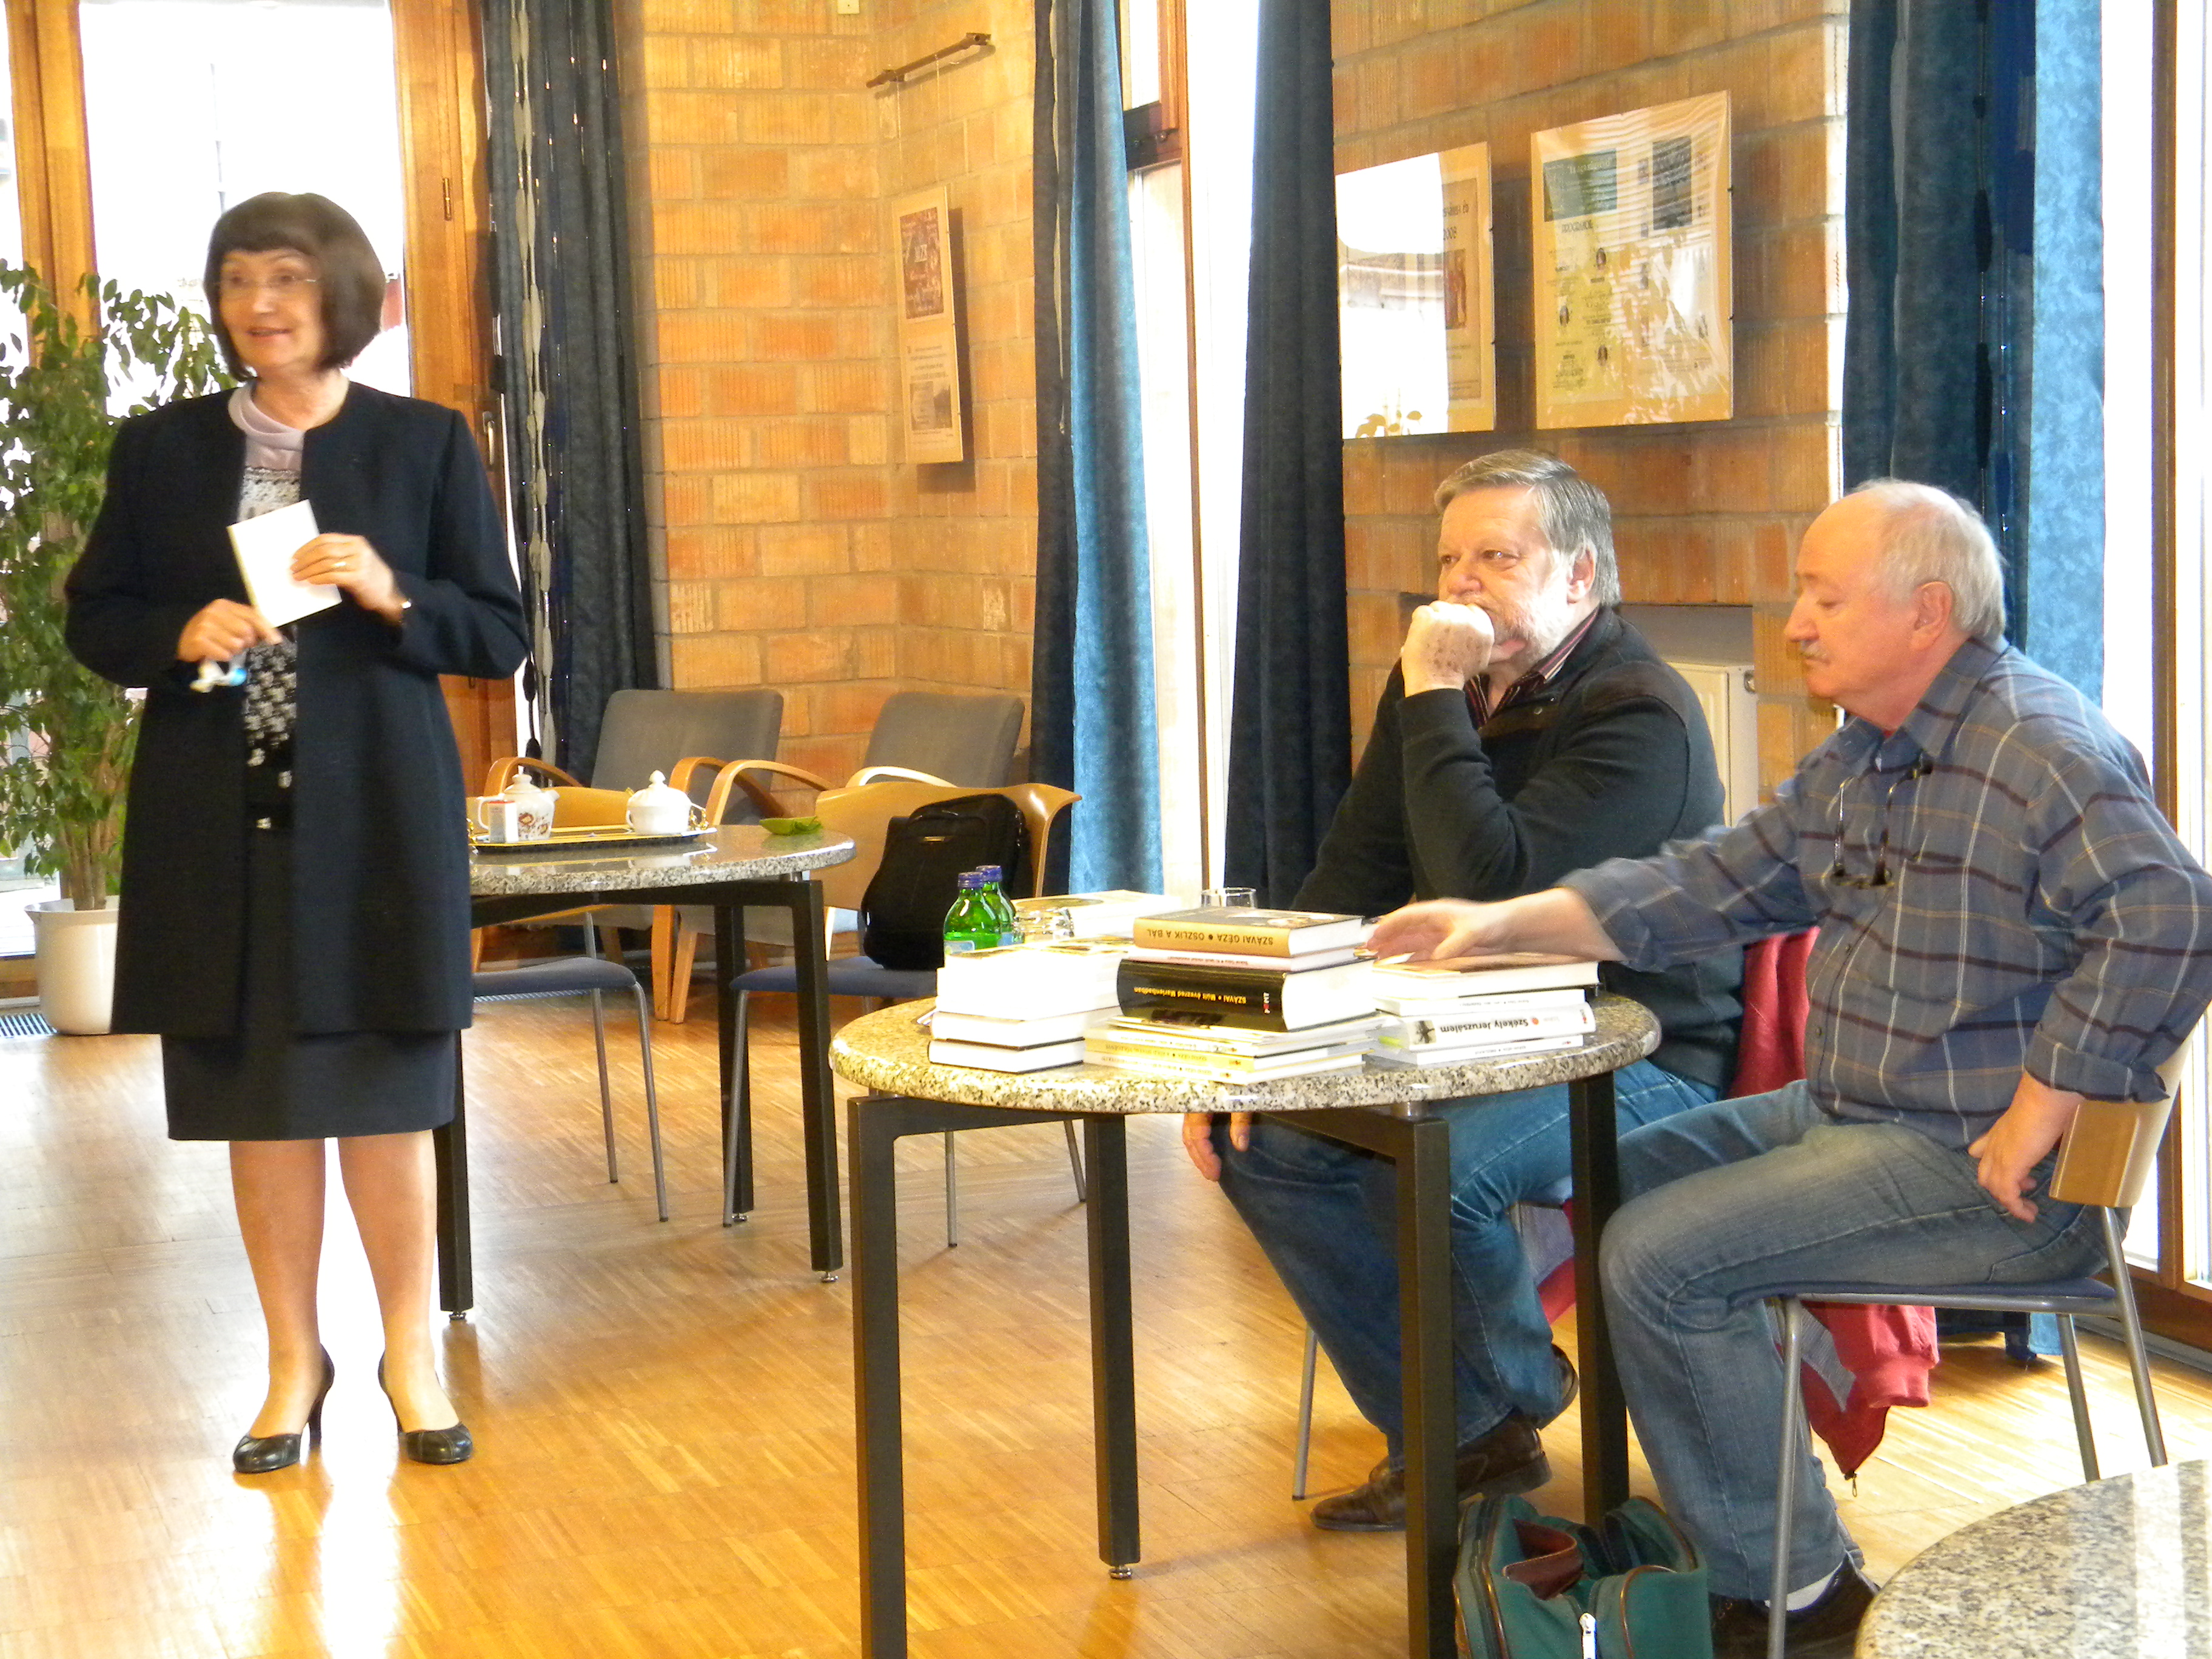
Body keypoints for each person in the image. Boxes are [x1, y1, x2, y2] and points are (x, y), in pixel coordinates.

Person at [1369, 480, 2212, 1657]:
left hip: (1989, 1166)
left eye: (1826, 597)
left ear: (1926, 612)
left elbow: (2171, 918)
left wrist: (2045, 1099)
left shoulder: (2038, 746)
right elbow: (1710, 884)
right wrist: (1503, 924)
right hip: (1858, 1115)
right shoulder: (1872, 755)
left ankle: (1798, 1596)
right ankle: (1750, 1518)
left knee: (1663, 1259)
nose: (1799, 624)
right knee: (1614, 1186)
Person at [1183, 449, 1741, 1528]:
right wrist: (1259, 1042)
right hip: (1472, 1029)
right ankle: (1466, 1432)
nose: (1462, 583)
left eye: (1497, 557)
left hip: (1637, 1048)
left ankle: (1511, 1398)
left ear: (1580, 575)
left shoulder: (1639, 712)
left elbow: (1494, 891)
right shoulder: (1437, 690)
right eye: (1449, 560)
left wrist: (1436, 694)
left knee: (1444, 1174)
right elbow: (1355, 872)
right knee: (1271, 1142)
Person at [65, 193, 528, 1473]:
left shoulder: (425, 442)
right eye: (236, 279)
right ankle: (292, 1364)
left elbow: (497, 634)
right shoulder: (160, 450)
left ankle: (409, 1356)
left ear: (345, 294)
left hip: (375, 828)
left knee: (387, 1101)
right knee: (260, 1108)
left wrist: (392, 590)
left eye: (286, 277)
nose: (259, 303)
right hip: (222, 829)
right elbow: (96, 617)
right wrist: (178, 631)